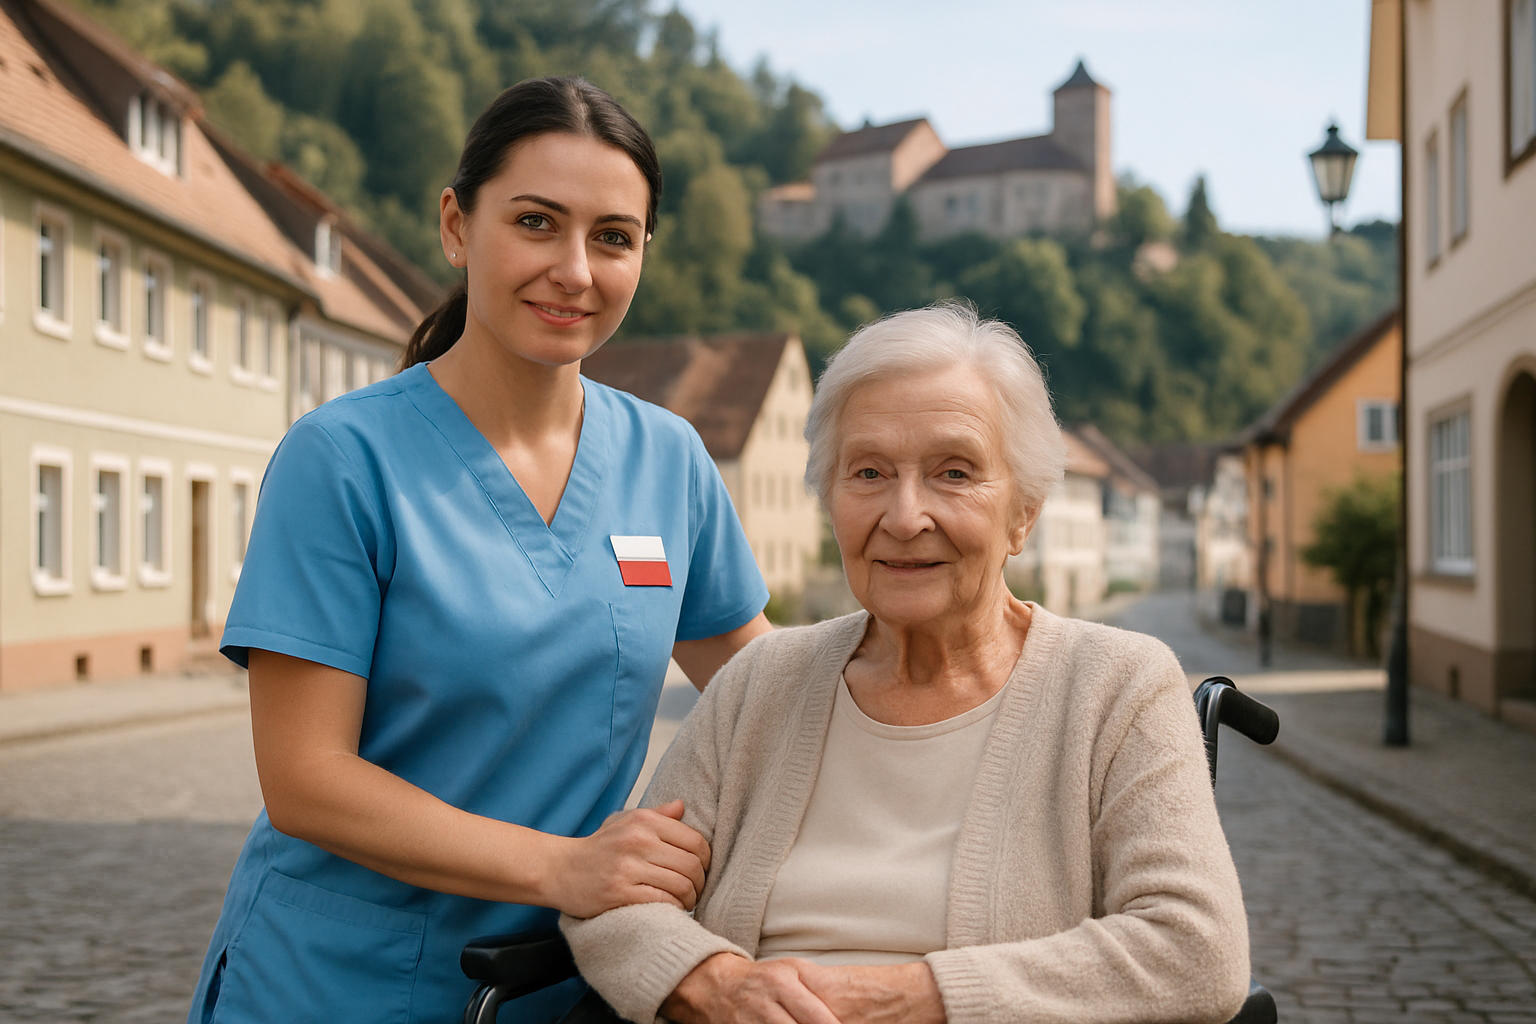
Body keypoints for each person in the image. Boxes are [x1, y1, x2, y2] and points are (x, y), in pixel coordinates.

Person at [188, 77, 771, 1024]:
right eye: (537, 222)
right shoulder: (343, 459)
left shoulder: (669, 460)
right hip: (333, 984)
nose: (574, 270)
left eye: (613, 237)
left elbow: (770, 693)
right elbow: (305, 781)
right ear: (457, 227)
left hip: (553, 987)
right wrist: (568, 867)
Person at [562, 304, 1252, 1024]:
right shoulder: (759, 680)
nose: (904, 516)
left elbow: (1196, 950)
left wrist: (901, 999)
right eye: (868, 472)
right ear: (830, 501)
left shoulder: (1119, 686)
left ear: (1023, 513)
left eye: (954, 473)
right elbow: (619, 897)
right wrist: (714, 983)